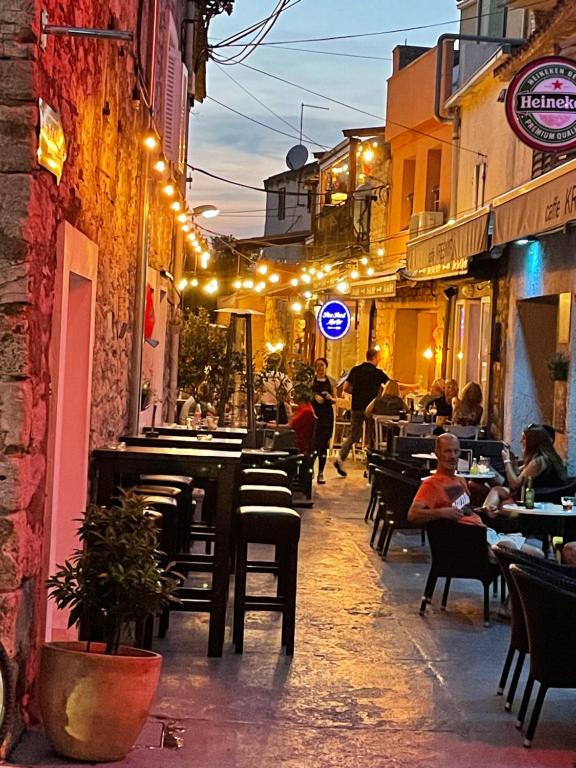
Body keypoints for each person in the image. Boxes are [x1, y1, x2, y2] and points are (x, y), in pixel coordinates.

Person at [408, 433, 543, 556]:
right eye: (448, 451)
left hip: (484, 533)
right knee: (508, 549)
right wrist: (442, 512)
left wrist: (483, 510)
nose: (453, 456)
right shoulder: (431, 485)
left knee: (538, 555)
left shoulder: (460, 479)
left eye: (456, 451)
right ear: (437, 454)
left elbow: (466, 510)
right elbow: (413, 515)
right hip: (466, 542)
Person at [333, 348, 389, 477]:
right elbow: (391, 386)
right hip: (371, 408)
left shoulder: (355, 370)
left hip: (356, 406)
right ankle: (369, 466)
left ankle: (340, 457)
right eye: (379, 357)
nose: (379, 360)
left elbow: (346, 388)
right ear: (375, 357)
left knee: (354, 435)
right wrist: (412, 386)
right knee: (372, 437)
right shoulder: (377, 373)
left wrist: (358, 393)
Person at [483, 424, 567, 510]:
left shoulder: (539, 462)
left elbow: (515, 484)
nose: (520, 441)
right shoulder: (545, 457)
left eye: (523, 438)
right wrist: (512, 459)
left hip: (535, 499)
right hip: (533, 495)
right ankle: (485, 515)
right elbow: (518, 473)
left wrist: (506, 461)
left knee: (496, 492)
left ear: (532, 442)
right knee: (497, 493)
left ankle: (483, 517)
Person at [311, 357, 336, 484]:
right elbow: (304, 395)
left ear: (326, 366)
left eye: (322, 365)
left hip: (326, 416)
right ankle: (311, 469)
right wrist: (313, 396)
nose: (320, 368)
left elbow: (336, 399)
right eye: (317, 365)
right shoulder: (311, 381)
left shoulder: (331, 381)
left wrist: (330, 398)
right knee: (313, 443)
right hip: (314, 414)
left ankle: (321, 472)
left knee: (323, 445)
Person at [258, 353, 293, 425]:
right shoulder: (283, 378)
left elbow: (257, 395)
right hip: (279, 410)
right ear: (279, 363)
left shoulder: (262, 377)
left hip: (265, 409)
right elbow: (288, 397)